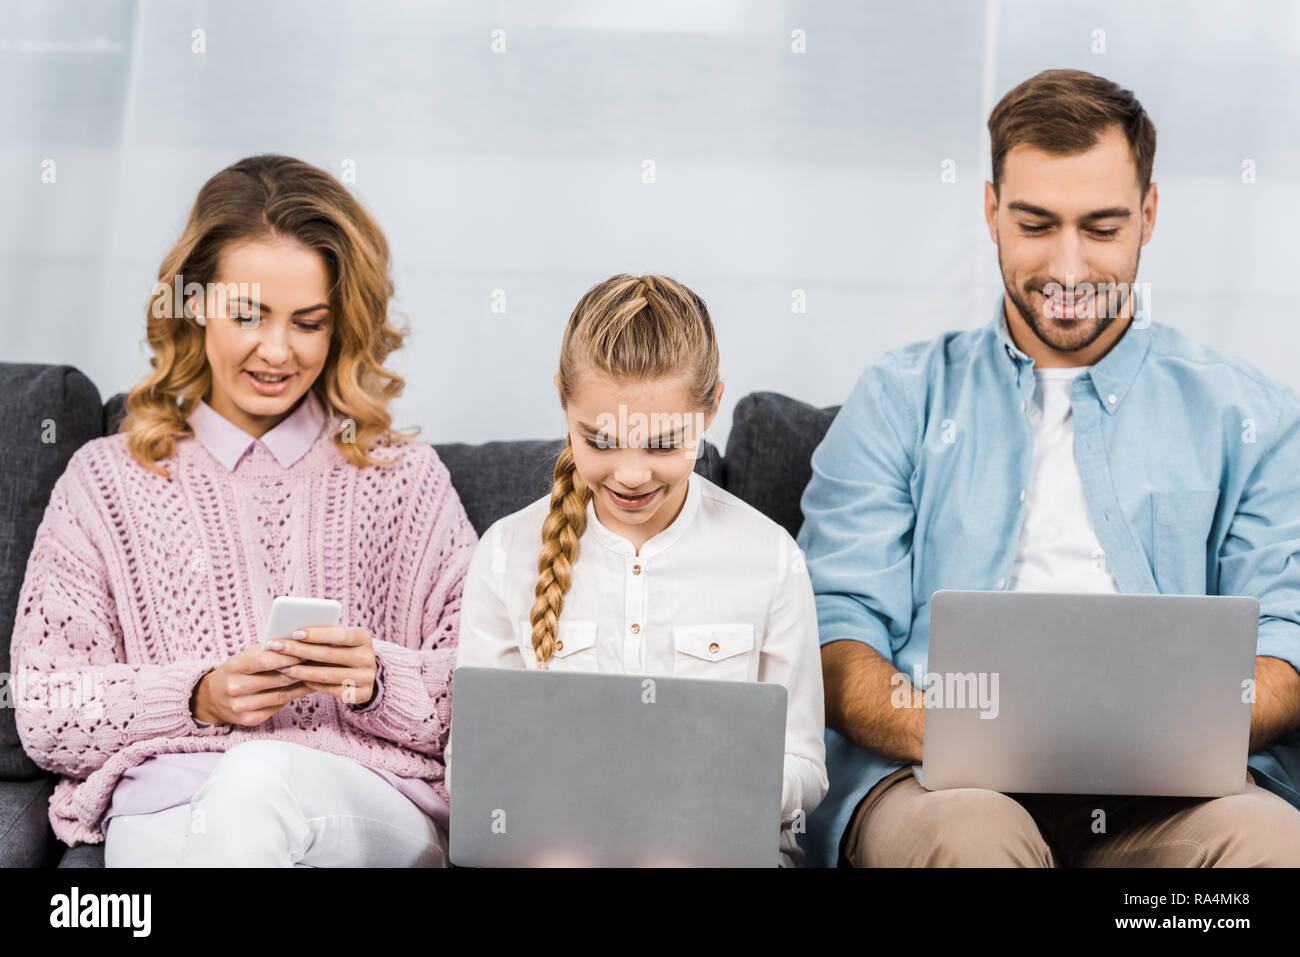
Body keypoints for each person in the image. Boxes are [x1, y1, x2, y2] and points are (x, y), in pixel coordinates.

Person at [798, 69, 1300, 868]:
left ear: (1150, 215)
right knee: (970, 844)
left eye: (1102, 228)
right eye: (1036, 224)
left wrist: (1168, 735)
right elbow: (834, 632)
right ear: (992, 212)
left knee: (1271, 849)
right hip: (942, 784)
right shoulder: (900, 397)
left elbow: (1287, 634)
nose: (1068, 268)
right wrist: (954, 731)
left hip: (1176, 799)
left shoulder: (1251, 414)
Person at [11, 154, 476, 867]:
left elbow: (485, 693)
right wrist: (198, 696)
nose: (277, 350)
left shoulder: (402, 478)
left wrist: (378, 679)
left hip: (358, 797)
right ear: (195, 303)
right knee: (240, 801)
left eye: (309, 322)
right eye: (248, 314)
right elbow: (47, 706)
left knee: (260, 779)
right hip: (170, 806)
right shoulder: (105, 481)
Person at [452, 273, 828, 866]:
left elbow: (804, 763)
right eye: (600, 440)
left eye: (662, 444)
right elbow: (472, 764)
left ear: (711, 411)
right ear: (563, 403)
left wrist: (706, 792)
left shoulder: (770, 557)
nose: (630, 475)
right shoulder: (505, 553)